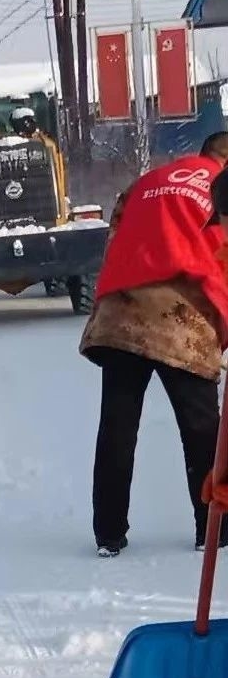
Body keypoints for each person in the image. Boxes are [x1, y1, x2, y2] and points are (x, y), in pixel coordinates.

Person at [80, 133, 228, 557]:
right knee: (202, 430)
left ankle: (108, 534)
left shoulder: (149, 181)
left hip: (121, 313)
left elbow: (116, 235)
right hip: (182, 320)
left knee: (117, 426)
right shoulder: (222, 189)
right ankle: (214, 530)